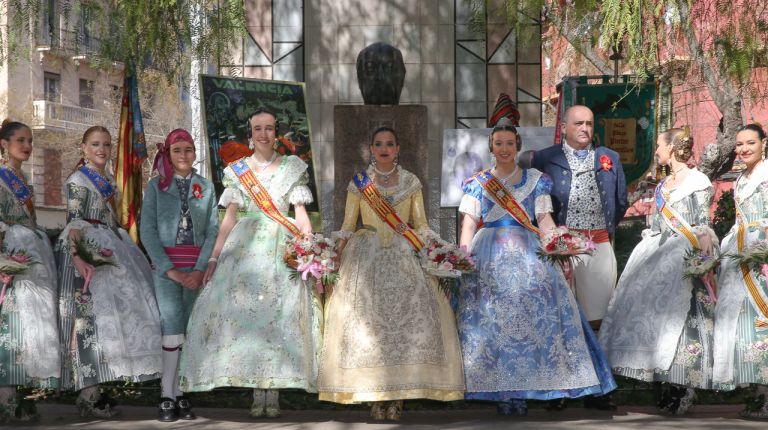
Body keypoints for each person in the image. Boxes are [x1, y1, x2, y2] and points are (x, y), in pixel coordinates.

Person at [457, 119, 616, 416]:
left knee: (534, 321)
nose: (504, 149)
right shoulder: (477, 183)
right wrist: (463, 257)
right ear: (491, 147)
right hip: (488, 255)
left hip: (529, 256)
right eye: (498, 143)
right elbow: (468, 224)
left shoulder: (536, 179)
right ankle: (500, 390)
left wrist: (556, 243)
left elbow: (544, 221)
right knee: (493, 323)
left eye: (509, 143)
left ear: (517, 145)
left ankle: (533, 385)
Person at [178, 108, 321, 419]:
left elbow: (300, 216)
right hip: (245, 248)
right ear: (250, 134)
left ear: (277, 133)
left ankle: (274, 392)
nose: (263, 134)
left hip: (281, 245)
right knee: (247, 318)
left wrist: (307, 247)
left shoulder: (293, 168)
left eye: (269, 128)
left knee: (278, 316)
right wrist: (215, 257)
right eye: (258, 129)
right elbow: (228, 221)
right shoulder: (237, 170)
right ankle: (257, 391)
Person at [318, 126, 465, 420]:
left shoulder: (411, 182)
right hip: (365, 255)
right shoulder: (359, 183)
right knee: (368, 328)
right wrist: (334, 255)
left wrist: (435, 248)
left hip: (404, 253)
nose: (384, 149)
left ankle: (399, 397)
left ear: (398, 149)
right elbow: (348, 224)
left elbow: (420, 225)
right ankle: (374, 394)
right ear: (371, 149)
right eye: (378, 144)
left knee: (405, 327)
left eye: (389, 144)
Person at [599, 128, 717, 414]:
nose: (656, 152)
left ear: (673, 147)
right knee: (657, 323)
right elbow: (655, 226)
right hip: (657, 256)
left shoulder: (697, 181)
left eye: (659, 146)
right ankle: (667, 384)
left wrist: (703, 262)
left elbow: (701, 223)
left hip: (684, 256)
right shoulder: (664, 185)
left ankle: (686, 386)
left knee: (683, 323)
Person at [56, 126, 162, 418]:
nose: (101, 150)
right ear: (83, 148)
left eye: (105, 144)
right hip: (88, 253)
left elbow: (110, 219)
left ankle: (94, 391)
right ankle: (88, 393)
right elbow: (74, 223)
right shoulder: (79, 180)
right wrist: (78, 258)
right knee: (89, 324)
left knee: (109, 324)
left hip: (111, 246)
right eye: (94, 144)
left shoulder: (105, 180)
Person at [527, 105, 627, 409]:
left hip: (598, 244)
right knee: (564, 318)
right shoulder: (546, 158)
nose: (585, 128)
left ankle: (599, 389)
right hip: (562, 250)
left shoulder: (609, 157)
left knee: (598, 320)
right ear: (565, 127)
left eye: (589, 123)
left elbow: (620, 202)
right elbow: (538, 203)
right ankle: (564, 387)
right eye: (578, 123)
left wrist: (600, 234)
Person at [140, 129, 219, 422]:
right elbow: (146, 230)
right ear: (168, 155)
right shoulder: (156, 187)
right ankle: (166, 394)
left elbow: (212, 229)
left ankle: (181, 391)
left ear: (195, 153)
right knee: (171, 326)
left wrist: (199, 270)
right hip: (167, 269)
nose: (184, 155)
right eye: (177, 150)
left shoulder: (206, 187)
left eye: (188, 149)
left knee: (187, 328)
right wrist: (169, 269)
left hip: (195, 269)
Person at [0, 121, 59, 422]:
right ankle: (6, 402)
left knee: (27, 328)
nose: (27, 146)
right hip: (10, 257)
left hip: (32, 256)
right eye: (20, 140)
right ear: (4, 144)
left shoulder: (25, 180)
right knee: (9, 328)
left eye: (30, 141)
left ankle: (15, 398)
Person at [713, 124, 768, 418]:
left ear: (763, 144)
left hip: (763, 253)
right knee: (746, 326)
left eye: (750, 143)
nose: (744, 149)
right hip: (740, 252)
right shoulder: (741, 179)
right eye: (739, 144)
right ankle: (759, 392)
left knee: (763, 321)